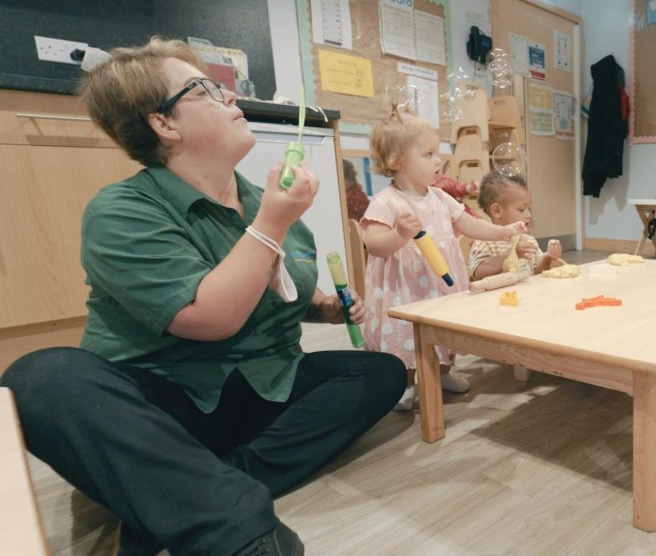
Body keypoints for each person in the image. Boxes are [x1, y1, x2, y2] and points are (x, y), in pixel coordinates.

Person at [0, 38, 406, 556]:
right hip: (168, 399)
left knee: (380, 372)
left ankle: (184, 490)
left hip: (262, 385)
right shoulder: (121, 211)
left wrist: (323, 306)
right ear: (163, 124)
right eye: (207, 90)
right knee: (39, 377)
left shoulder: (265, 201)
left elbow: (283, 285)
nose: (232, 97)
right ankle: (233, 528)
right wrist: (270, 224)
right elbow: (211, 317)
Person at [362, 105, 526, 411]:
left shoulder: (439, 196)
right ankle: (406, 382)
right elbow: (373, 244)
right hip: (405, 287)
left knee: (445, 326)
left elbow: (469, 224)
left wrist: (502, 231)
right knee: (405, 334)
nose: (438, 161)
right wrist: (398, 234)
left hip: (440, 281)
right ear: (397, 161)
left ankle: (442, 372)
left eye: (437, 153)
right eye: (428, 155)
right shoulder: (387, 201)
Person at [468, 171, 563, 281]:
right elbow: (478, 272)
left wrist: (548, 258)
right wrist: (512, 254)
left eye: (529, 209)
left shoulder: (528, 240)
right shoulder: (484, 241)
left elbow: (537, 275)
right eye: (521, 209)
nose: (529, 215)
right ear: (497, 211)